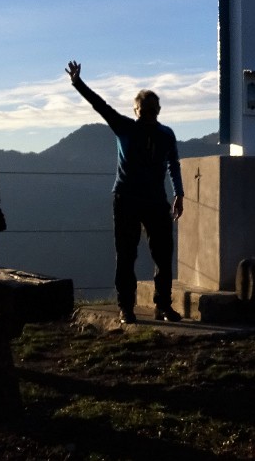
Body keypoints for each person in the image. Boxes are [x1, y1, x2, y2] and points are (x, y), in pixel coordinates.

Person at [66, 61, 184, 324]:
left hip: (146, 200)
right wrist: (77, 84)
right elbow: (100, 105)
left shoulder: (155, 133)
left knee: (156, 256)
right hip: (133, 200)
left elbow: (173, 164)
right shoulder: (134, 129)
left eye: (151, 111)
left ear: (156, 110)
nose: (148, 115)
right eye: (145, 111)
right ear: (138, 111)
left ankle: (153, 307)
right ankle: (133, 307)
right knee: (133, 256)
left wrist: (179, 194)